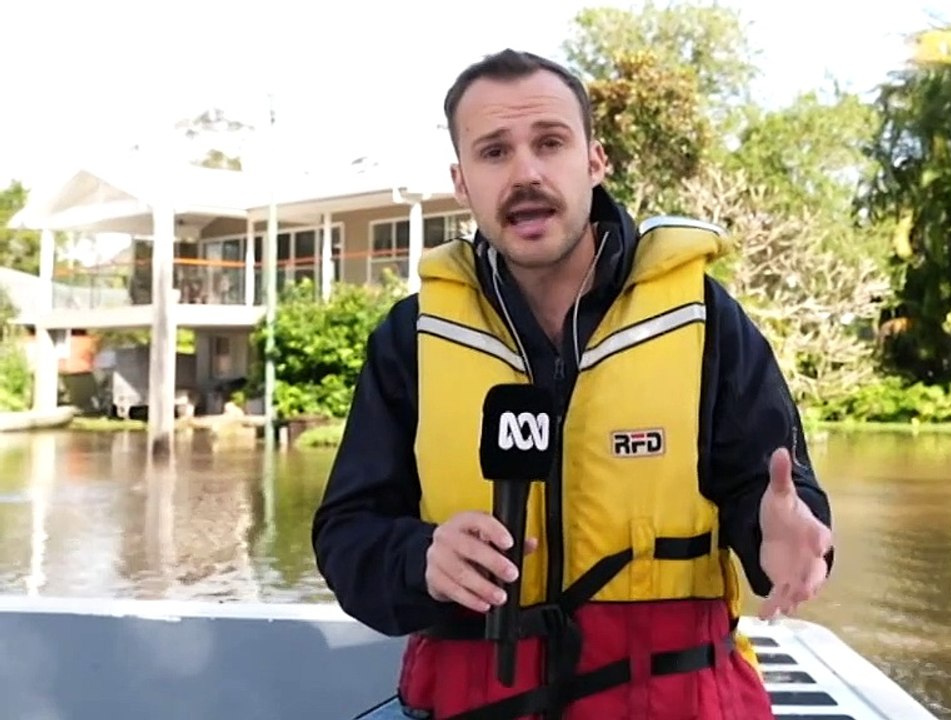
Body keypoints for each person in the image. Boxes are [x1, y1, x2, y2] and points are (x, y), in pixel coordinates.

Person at [312, 48, 835, 720]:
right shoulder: (409, 338)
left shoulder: (705, 319)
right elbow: (347, 536)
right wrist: (420, 558)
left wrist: (783, 536)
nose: (526, 172)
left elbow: (781, 506)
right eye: (494, 152)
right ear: (462, 182)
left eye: (550, 143)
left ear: (594, 161)